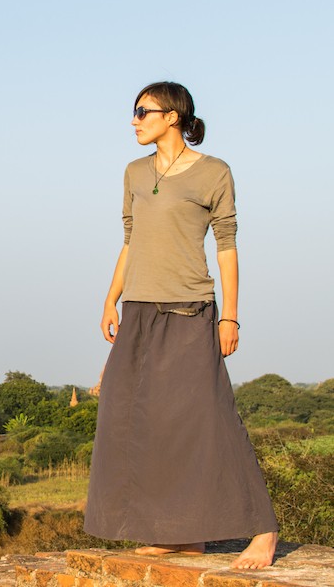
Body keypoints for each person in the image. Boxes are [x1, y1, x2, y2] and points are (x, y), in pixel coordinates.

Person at [83, 81, 279, 570]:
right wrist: (111, 299)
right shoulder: (133, 172)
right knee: (130, 413)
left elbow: (227, 246)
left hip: (191, 308)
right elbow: (130, 241)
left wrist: (230, 316)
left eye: (142, 111)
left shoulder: (213, 172)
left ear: (173, 116)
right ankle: (182, 535)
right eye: (134, 112)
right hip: (139, 309)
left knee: (209, 415)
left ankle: (264, 528)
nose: (134, 120)